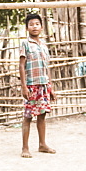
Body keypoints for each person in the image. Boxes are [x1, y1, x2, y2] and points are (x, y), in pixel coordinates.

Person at [19, 12, 57, 158]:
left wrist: (50, 87)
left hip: (43, 85)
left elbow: (47, 68)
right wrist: (23, 86)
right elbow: (21, 66)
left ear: (41, 27)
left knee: (42, 115)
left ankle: (42, 144)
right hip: (31, 85)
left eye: (37, 24)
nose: (34, 27)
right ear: (27, 28)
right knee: (28, 116)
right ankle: (25, 148)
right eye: (31, 24)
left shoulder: (44, 46)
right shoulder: (25, 44)